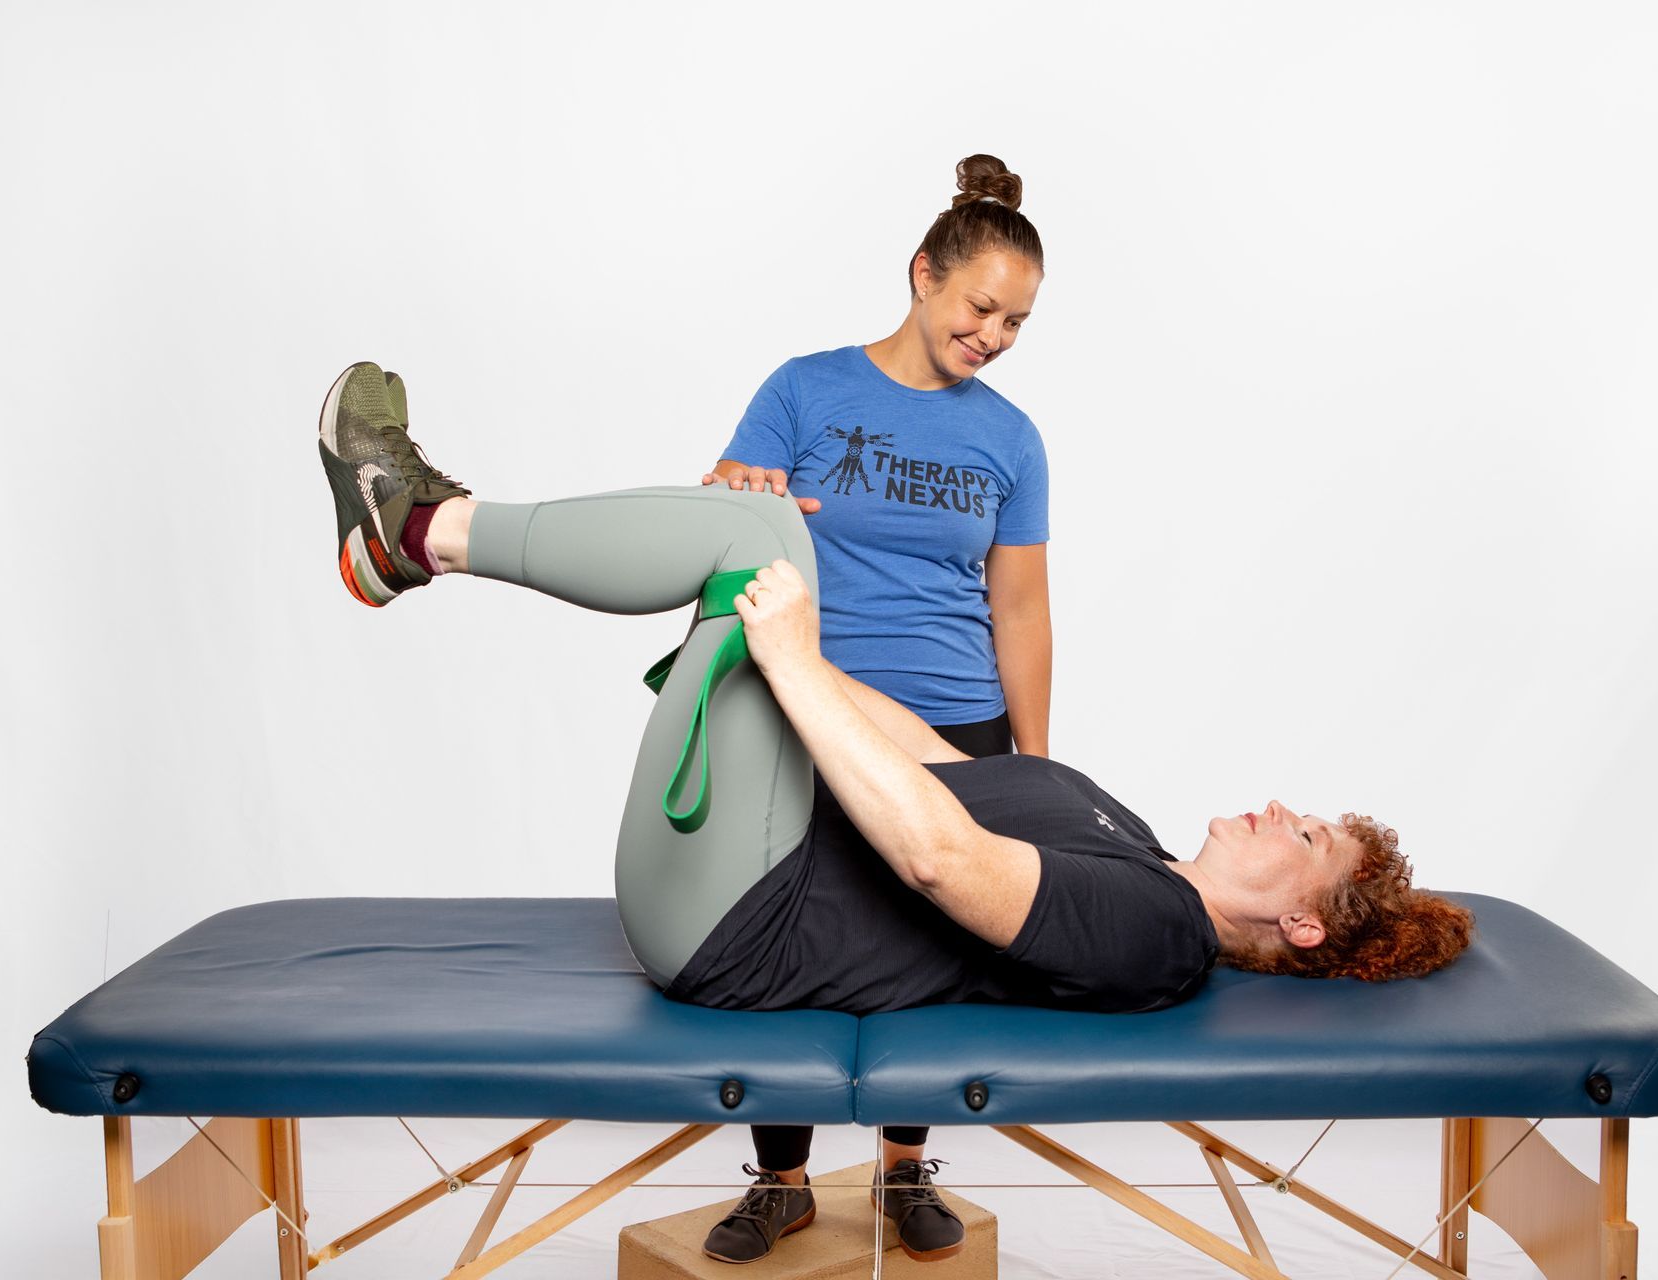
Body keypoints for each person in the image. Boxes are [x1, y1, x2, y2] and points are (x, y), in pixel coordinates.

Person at [319, 361, 1478, 1265]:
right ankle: (413, 535)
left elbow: (936, 854)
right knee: (771, 530)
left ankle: (415, 528)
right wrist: (793, 642)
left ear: (1307, 926)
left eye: (1309, 834)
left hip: (732, 923)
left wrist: (790, 651)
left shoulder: (1159, 933)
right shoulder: (1137, 838)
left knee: (762, 538)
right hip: (742, 861)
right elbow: (927, 755)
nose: (1282, 808)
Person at [701, 154, 1051, 1244]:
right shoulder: (804, 388)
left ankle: (906, 1167)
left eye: (1016, 321)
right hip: (807, 712)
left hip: (955, 726)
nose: (992, 333)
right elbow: (724, 526)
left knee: (931, 948)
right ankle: (783, 1178)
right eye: (980, 305)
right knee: (790, 946)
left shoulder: (1012, 436)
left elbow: (1023, 609)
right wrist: (736, 491)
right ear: (923, 275)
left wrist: (1034, 765)